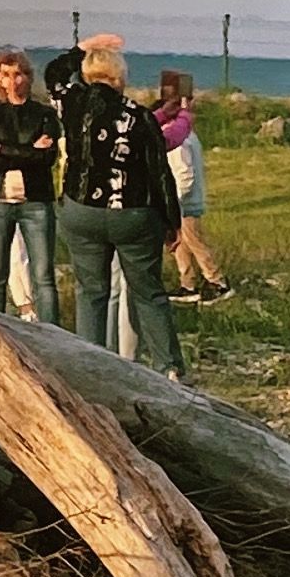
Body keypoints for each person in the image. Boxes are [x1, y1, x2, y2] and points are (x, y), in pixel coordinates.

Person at [46, 31, 183, 377]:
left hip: (81, 210)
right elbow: (158, 173)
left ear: (88, 74)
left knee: (91, 291)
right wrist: (172, 223)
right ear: (120, 77)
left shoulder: (71, 103)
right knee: (147, 292)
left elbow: (53, 73)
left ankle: (90, 365)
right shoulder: (138, 115)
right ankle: (169, 367)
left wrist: (84, 46)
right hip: (132, 213)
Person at [0, 48, 61, 322]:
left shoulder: (43, 114)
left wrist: (4, 149)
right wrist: (26, 149)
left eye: (18, 74)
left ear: (28, 78)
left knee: (43, 276)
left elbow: (47, 157)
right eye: (6, 75)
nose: (13, 81)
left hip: (35, 202)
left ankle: (54, 336)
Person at [157, 69, 230, 300]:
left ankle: (218, 282)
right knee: (180, 245)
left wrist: (174, 203)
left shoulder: (180, 141)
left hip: (185, 203)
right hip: (183, 202)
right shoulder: (186, 134)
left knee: (194, 242)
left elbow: (185, 176)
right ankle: (187, 285)